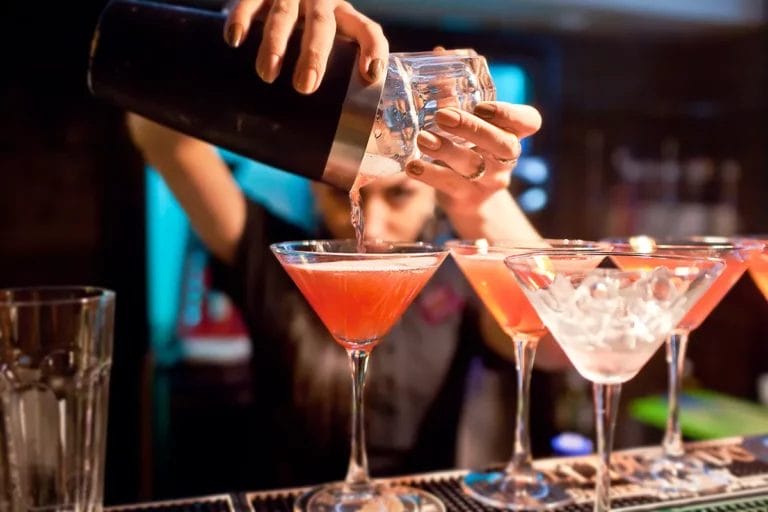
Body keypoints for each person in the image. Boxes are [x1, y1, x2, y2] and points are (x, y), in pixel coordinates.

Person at [128, 0, 564, 489]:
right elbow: (158, 135)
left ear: (434, 197)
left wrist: (480, 202)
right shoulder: (274, 253)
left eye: (398, 195)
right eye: (345, 194)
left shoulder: (461, 270)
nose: (370, 227)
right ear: (316, 185)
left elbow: (553, 345)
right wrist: (238, 42)